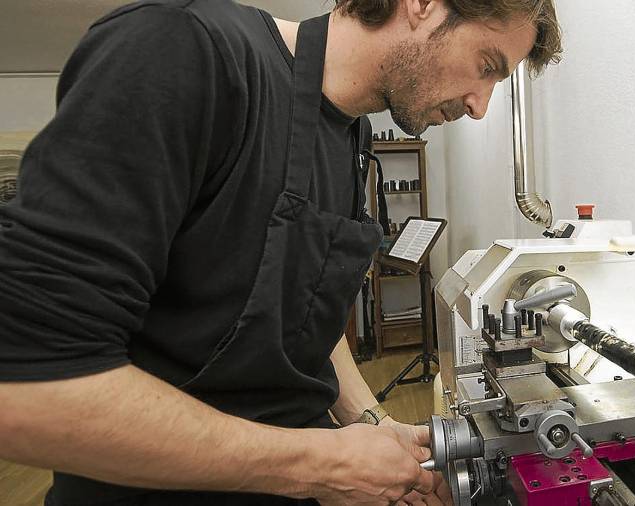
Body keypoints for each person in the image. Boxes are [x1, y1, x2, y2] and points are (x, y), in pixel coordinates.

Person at [0, 0, 562, 504]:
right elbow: (28, 390)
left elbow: (297, 314)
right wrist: (320, 465)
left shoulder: (353, 136)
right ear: (420, 4)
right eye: (487, 66)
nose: (480, 105)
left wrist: (371, 424)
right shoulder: (184, 51)